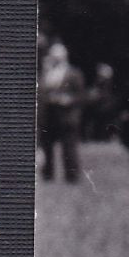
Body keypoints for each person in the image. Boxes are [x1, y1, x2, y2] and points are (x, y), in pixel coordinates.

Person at [37, 42, 85, 183]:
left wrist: (68, 99)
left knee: (69, 148)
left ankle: (72, 177)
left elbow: (81, 95)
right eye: (54, 55)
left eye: (59, 55)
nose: (56, 58)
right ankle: (47, 175)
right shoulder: (46, 73)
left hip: (67, 116)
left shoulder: (74, 73)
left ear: (65, 56)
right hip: (49, 115)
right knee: (47, 147)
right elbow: (42, 92)